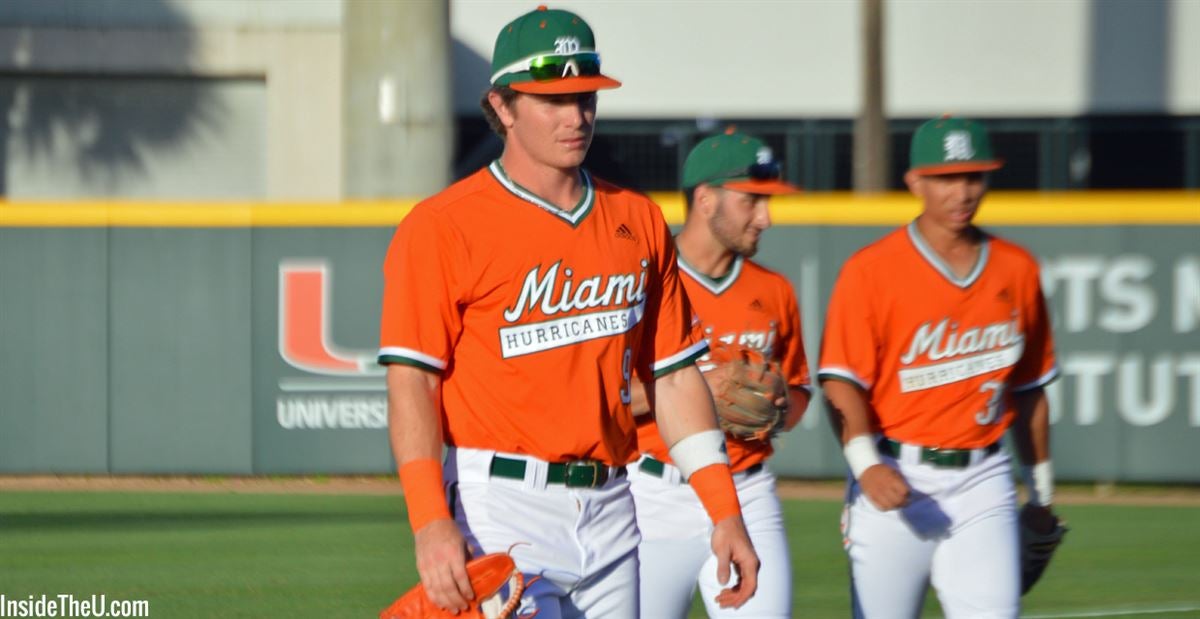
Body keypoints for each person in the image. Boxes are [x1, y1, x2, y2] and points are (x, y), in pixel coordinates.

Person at [377, 6, 759, 618]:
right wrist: (428, 521)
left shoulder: (636, 218)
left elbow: (675, 374)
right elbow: (413, 382)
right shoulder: (443, 226)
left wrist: (723, 509)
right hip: (497, 508)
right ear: (502, 107)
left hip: (613, 506)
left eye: (585, 96)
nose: (576, 115)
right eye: (552, 99)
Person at [818, 115, 1061, 618]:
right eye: (947, 178)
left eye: (974, 176)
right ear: (915, 181)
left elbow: (1030, 388)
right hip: (896, 471)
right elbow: (841, 383)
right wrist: (866, 466)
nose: (963, 191)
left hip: (984, 477)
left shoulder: (1016, 268)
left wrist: (1040, 496)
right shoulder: (871, 270)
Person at [628, 129, 811, 618]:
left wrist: (771, 406)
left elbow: (798, 395)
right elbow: (603, 398)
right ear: (705, 200)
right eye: (752, 201)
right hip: (651, 494)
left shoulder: (774, 290)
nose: (766, 218)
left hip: (747, 488)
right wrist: (701, 391)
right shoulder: (639, 280)